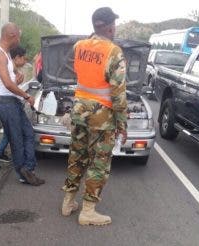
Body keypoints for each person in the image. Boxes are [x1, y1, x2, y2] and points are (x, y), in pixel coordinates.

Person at [61, 7, 127, 226]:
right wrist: (122, 123)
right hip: (102, 118)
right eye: (114, 25)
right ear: (108, 27)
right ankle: (88, 211)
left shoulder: (79, 46)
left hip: (79, 112)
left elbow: (78, 74)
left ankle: (68, 202)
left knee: (76, 157)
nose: (114, 28)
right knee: (98, 163)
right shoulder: (114, 51)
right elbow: (118, 92)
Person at [0, 22, 44, 186]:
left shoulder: (5, 53)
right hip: (5, 102)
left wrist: (17, 78)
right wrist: (27, 96)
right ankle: (24, 173)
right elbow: (6, 83)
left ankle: (28, 169)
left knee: (28, 133)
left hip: (11, 100)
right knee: (17, 139)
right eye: (18, 35)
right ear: (12, 36)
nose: (19, 38)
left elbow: (5, 78)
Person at [0, 46, 28, 163]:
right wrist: (24, 95)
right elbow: (7, 85)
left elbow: (11, 85)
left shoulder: (13, 68)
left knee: (7, 129)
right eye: (24, 59)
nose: (25, 62)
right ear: (17, 57)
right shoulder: (4, 62)